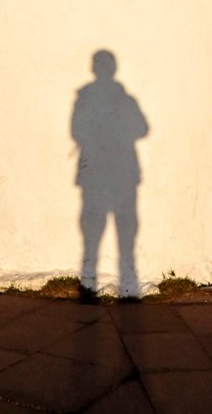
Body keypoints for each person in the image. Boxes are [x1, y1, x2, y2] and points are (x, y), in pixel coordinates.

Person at [71, 49, 149, 299]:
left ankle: (102, 284)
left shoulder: (110, 98)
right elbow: (77, 130)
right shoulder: (119, 98)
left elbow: (142, 128)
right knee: (101, 230)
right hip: (106, 170)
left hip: (106, 171)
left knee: (114, 230)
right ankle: (105, 283)